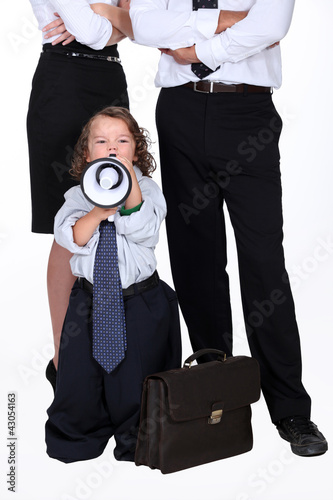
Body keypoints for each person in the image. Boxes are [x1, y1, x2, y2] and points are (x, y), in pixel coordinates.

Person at [129, 0, 328, 457]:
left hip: (247, 113)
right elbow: (142, 22)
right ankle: (215, 401)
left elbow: (273, 24)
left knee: (263, 264)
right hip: (179, 112)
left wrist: (197, 51)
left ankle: (291, 411)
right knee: (195, 260)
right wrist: (228, 27)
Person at [45, 106, 181, 463]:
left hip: (139, 302)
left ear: (135, 150)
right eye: (101, 141)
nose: (112, 148)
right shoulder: (77, 196)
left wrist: (126, 185)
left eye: (122, 141)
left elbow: (145, 228)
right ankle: (76, 438)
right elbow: (70, 237)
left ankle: (137, 441)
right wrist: (98, 210)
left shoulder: (147, 189)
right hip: (88, 302)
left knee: (136, 382)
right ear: (86, 153)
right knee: (79, 380)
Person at [27, 1, 133, 388]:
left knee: (112, 218)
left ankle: (110, 357)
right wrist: (114, 19)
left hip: (110, 83)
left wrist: (107, 19)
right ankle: (63, 362)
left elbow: (140, 24)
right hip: (64, 83)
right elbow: (92, 33)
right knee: (69, 229)